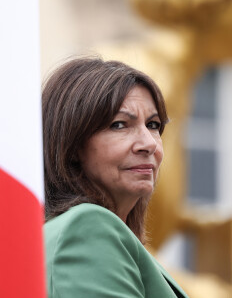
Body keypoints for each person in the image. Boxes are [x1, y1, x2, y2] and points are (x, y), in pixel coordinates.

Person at [42, 57, 188, 298]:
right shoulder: (86, 228)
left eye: (153, 125)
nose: (149, 144)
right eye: (120, 125)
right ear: (73, 145)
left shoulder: (71, 232)